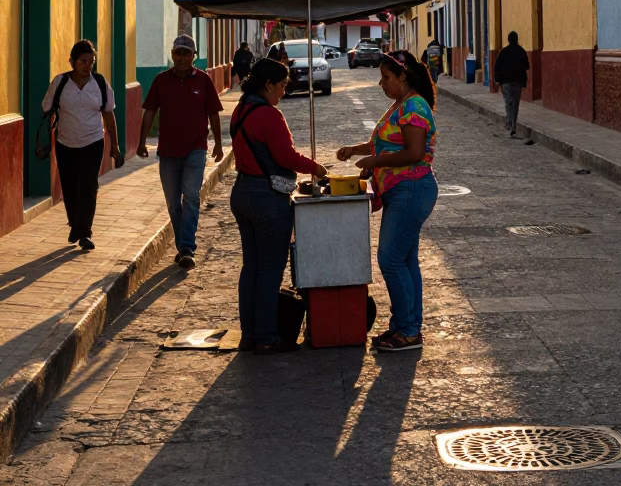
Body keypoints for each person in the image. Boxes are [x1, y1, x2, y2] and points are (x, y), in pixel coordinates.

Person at [336, 50, 438, 353]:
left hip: (412, 188)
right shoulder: (400, 105)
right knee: (406, 261)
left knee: (390, 259)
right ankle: (405, 325)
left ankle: (408, 332)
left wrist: (375, 160)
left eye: (386, 77)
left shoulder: (414, 106)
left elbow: (414, 152)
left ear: (402, 77)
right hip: (401, 190)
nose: (381, 83)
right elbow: (385, 140)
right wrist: (355, 150)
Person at [230, 58, 327, 353]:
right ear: (268, 85)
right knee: (271, 270)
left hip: (242, 191)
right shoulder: (269, 115)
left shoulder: (239, 110)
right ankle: (268, 338)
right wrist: (317, 168)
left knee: (252, 268)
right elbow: (286, 157)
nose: (285, 91)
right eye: (282, 85)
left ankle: (249, 335)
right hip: (267, 198)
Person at [137, 34, 224, 269]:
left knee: (192, 196)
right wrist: (141, 141)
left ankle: (187, 246)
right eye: (178, 53)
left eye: (187, 53)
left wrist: (217, 143)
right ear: (172, 55)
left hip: (196, 148)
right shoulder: (161, 80)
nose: (182, 58)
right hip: (167, 151)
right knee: (174, 203)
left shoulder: (204, 81)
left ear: (193, 56)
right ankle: (182, 244)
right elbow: (150, 111)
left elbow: (214, 113)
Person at [42, 40, 122, 251]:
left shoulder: (100, 83)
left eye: (91, 62)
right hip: (65, 143)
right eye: (83, 61)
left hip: (93, 141)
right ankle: (75, 224)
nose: (88, 66)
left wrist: (115, 145)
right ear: (72, 62)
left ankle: (84, 232)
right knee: (69, 187)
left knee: (88, 186)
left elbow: (108, 114)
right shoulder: (60, 82)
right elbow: (47, 107)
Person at [494, 31, 530, 137]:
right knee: (516, 104)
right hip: (518, 82)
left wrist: (497, 80)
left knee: (508, 103)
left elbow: (497, 67)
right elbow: (526, 66)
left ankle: (510, 124)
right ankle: (513, 124)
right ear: (517, 39)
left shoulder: (503, 52)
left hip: (506, 82)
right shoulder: (522, 51)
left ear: (508, 40)